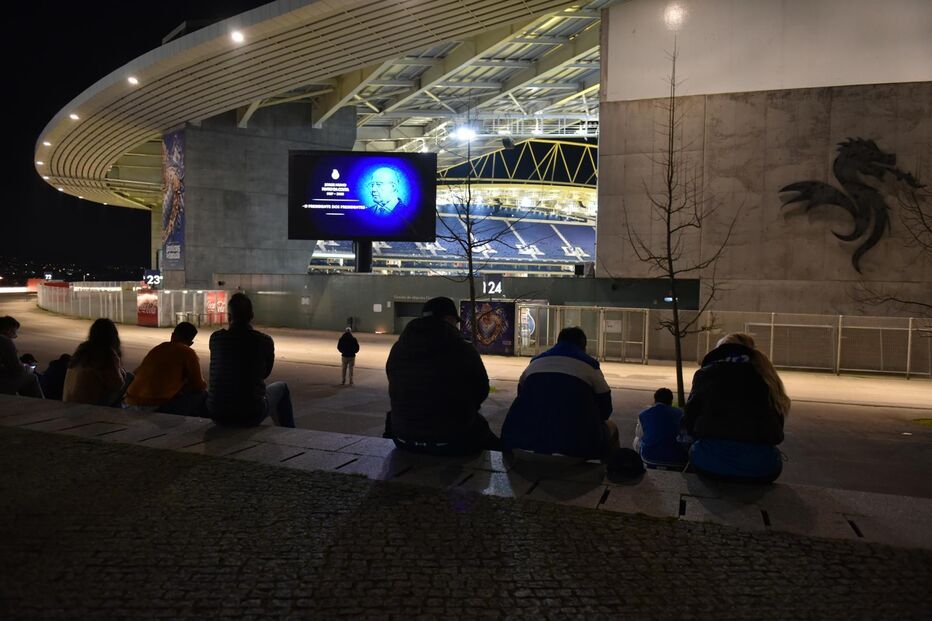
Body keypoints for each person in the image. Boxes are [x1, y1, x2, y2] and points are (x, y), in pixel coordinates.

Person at [385, 296, 499, 455]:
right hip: (450, 439)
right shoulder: (462, 348)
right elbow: (481, 389)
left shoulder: (399, 348)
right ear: (447, 319)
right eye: (455, 321)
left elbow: (393, 382)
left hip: (403, 438)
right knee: (493, 442)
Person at [684, 333, 791, 484]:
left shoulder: (707, 374)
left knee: (695, 448)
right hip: (763, 468)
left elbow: (689, 420)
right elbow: (777, 432)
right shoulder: (766, 377)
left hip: (711, 462)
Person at [501, 326, 618, 460]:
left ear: (558, 341)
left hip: (518, 442)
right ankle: (609, 471)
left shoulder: (535, 362)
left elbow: (521, 393)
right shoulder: (590, 365)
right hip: (575, 446)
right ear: (583, 346)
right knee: (611, 428)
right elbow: (606, 408)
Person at [206, 293, 295, 428]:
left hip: (216, 413)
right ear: (252, 316)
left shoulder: (216, 339)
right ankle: (289, 432)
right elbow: (265, 374)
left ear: (229, 317)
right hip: (250, 414)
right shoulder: (264, 340)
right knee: (282, 388)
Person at [125, 322, 208, 416]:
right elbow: (199, 385)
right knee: (201, 394)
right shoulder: (188, 352)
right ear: (191, 343)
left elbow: (136, 373)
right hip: (154, 405)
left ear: (172, 335)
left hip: (129, 402)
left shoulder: (157, 349)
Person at [63, 318, 131, 406]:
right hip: (87, 407)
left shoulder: (82, 349)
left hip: (68, 403)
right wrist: (119, 366)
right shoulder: (106, 354)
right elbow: (117, 384)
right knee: (130, 377)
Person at [633, 388, 688, 467]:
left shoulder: (643, 414)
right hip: (677, 458)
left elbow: (639, 434)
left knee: (637, 438)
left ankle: (640, 463)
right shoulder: (681, 413)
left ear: (655, 399)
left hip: (649, 457)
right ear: (671, 401)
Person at [0, 316, 44, 398]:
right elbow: (17, 370)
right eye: (14, 333)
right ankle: (40, 405)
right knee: (32, 378)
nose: (15, 336)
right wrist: (27, 368)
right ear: (7, 330)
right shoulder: (4, 341)